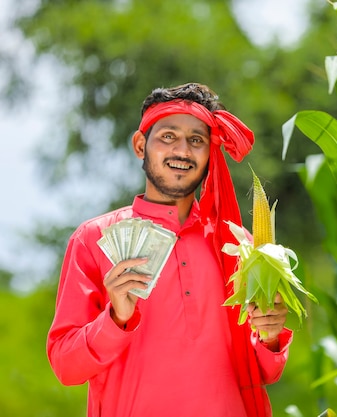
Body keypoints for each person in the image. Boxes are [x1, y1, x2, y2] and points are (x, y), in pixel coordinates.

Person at [47, 82, 293, 417]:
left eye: (196, 140)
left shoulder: (239, 247)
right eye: (167, 136)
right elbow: (65, 366)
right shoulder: (92, 239)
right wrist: (115, 319)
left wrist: (270, 336)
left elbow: (263, 372)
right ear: (140, 145)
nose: (183, 151)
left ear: (210, 153)